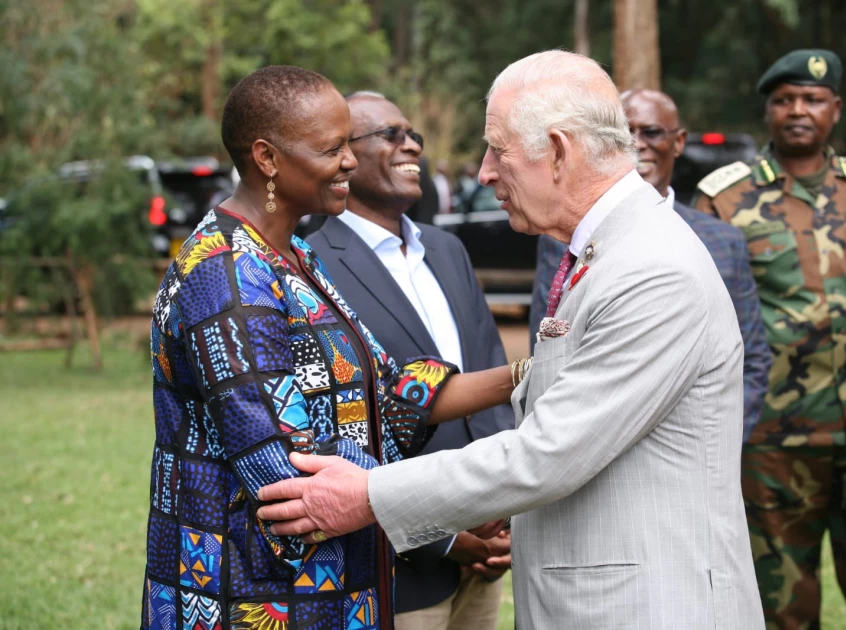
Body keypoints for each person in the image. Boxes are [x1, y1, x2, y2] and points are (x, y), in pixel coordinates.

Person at [257, 51, 763, 629]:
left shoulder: (651, 270)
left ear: (558, 151)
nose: (484, 173)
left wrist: (370, 493)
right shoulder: (605, 252)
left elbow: (548, 453)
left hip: (649, 606)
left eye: (498, 149)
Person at [141, 65, 514, 630]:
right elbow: (285, 466)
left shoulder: (294, 257)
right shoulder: (228, 275)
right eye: (331, 148)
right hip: (253, 593)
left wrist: (529, 372)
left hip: (336, 586)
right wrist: (441, 513)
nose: (349, 161)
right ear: (267, 158)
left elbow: (392, 394)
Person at [693, 49, 846, 627]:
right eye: (784, 100)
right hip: (773, 440)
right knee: (781, 609)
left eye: (812, 99)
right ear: (767, 111)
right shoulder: (725, 198)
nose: (798, 110)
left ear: (835, 110)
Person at [306, 92, 515, 630]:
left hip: (488, 550)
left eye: (414, 134)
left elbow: (487, 365)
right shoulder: (313, 263)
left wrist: (502, 506)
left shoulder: (447, 250)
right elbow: (343, 420)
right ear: (342, 156)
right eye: (392, 135)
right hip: (399, 570)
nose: (413, 145)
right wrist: (442, 537)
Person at [529, 88, 770, 443]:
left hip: (697, 449)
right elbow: (549, 356)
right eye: (625, 133)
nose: (637, 144)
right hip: (596, 443)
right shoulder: (565, 239)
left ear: (678, 142)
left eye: (652, 132)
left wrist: (717, 441)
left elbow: (752, 362)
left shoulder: (723, 242)